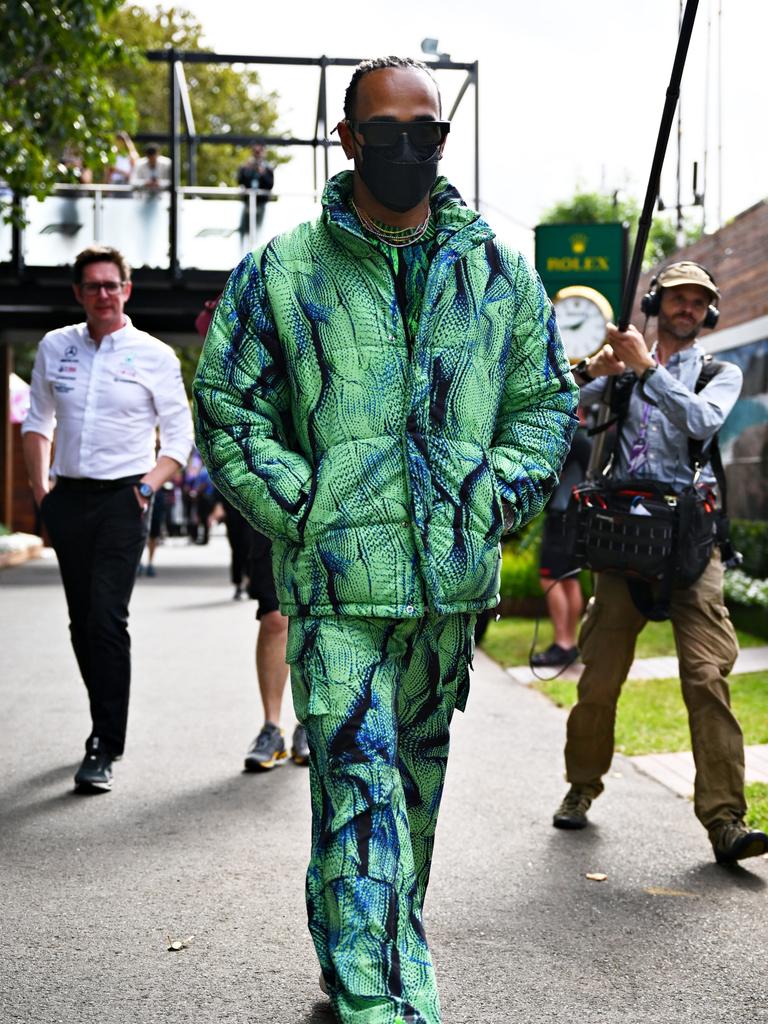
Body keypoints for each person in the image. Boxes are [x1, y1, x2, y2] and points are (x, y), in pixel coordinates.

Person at [193, 56, 577, 1024]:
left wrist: (492, 494)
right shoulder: (284, 273)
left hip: (450, 587)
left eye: (429, 131)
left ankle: (358, 952)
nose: (410, 147)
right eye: (388, 128)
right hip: (337, 586)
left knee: (409, 789)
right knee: (358, 786)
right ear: (348, 138)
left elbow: (543, 405)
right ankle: (387, 1000)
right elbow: (230, 403)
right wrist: (304, 502)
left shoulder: (499, 275)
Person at [553, 261, 768, 866]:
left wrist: (649, 370)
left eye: (699, 301)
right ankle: (581, 786)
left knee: (707, 676)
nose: (688, 308)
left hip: (693, 545)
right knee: (597, 679)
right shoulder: (622, 376)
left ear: (710, 312)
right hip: (621, 544)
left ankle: (726, 820)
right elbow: (553, 399)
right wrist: (597, 368)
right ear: (656, 300)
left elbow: (703, 421)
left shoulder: (720, 373)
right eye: (678, 297)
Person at [21, 245, 193, 793]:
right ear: (78, 293)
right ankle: (102, 716)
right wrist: (40, 492)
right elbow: (37, 421)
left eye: (111, 285)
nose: (102, 295)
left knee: (105, 618)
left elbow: (180, 438)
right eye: (92, 286)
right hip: (67, 498)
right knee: (80, 620)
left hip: (125, 498)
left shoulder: (155, 356)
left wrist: (147, 487)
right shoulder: (55, 348)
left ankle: (104, 743)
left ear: (127, 290)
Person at [530, 422, 591, 668]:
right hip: (578, 518)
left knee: (550, 578)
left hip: (562, 516)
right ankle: (570, 642)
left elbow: (551, 475)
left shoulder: (573, 439)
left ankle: (563, 643)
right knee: (569, 579)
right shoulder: (590, 441)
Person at [237, 143, 274, 237]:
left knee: (259, 230)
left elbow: (270, 185)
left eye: (259, 151)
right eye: (255, 151)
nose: (257, 154)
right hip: (248, 202)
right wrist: (246, 169)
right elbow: (240, 181)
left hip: (261, 203)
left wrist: (263, 173)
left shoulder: (267, 167)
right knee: (245, 231)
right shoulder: (247, 165)